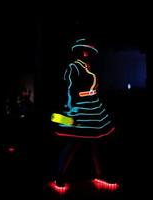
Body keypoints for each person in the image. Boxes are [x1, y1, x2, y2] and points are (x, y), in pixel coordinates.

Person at [48, 38, 119, 195]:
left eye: (89, 52)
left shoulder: (89, 68)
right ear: (79, 51)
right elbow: (69, 88)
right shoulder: (73, 67)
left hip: (93, 108)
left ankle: (100, 174)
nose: (88, 54)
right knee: (73, 144)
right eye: (85, 51)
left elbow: (94, 86)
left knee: (96, 143)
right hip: (79, 108)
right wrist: (71, 107)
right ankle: (59, 176)